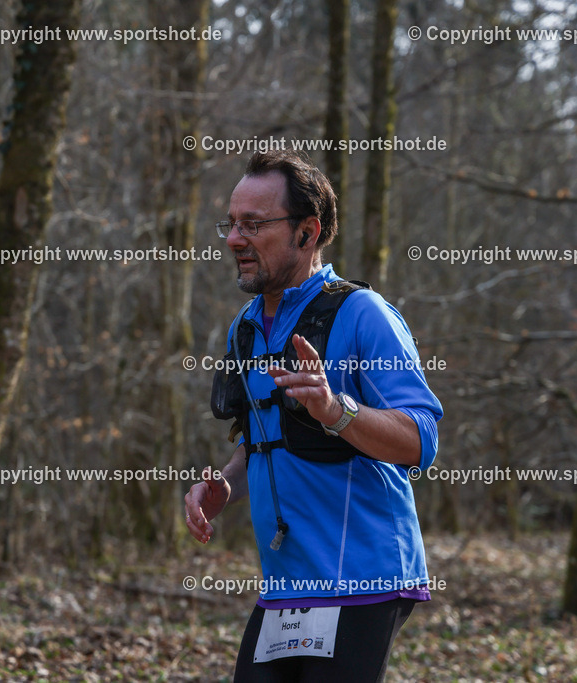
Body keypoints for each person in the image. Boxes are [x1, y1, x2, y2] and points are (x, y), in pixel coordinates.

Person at [184, 150, 443, 682]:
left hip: (364, 578)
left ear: (308, 231)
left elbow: (421, 439)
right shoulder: (246, 327)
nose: (234, 239)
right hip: (287, 583)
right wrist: (225, 486)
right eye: (231, 224)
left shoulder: (362, 314)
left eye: (253, 224)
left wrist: (336, 410)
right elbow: (260, 438)